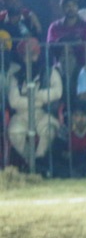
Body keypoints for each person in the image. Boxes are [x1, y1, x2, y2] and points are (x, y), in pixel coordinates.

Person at [6, 37, 63, 171]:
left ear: (39, 53)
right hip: (22, 114)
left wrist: (37, 96)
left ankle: (39, 162)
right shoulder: (16, 76)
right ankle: (31, 162)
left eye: (33, 54)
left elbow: (57, 92)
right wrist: (37, 101)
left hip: (44, 112)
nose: (30, 58)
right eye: (26, 55)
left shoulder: (50, 72)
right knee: (14, 133)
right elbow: (14, 101)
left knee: (49, 131)